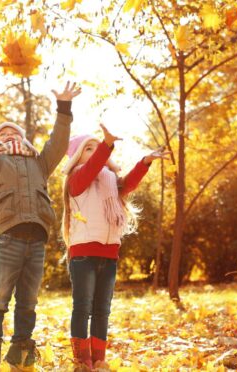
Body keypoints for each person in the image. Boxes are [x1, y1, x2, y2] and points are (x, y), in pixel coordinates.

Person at [0, 82, 81, 369]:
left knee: (28, 300)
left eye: (14, 131)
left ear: (23, 138)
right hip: (8, 236)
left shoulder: (39, 163)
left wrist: (63, 108)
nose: (9, 133)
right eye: (3, 132)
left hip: (36, 238)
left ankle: (20, 355)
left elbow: (58, 144)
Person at [61, 125, 170, 370]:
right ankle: (82, 360)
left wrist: (145, 161)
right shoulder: (77, 179)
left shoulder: (110, 181)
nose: (95, 152)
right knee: (83, 307)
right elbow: (91, 169)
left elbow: (129, 184)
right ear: (78, 156)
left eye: (96, 148)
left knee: (102, 309)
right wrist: (106, 144)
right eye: (88, 148)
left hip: (108, 254)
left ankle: (99, 359)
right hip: (83, 254)